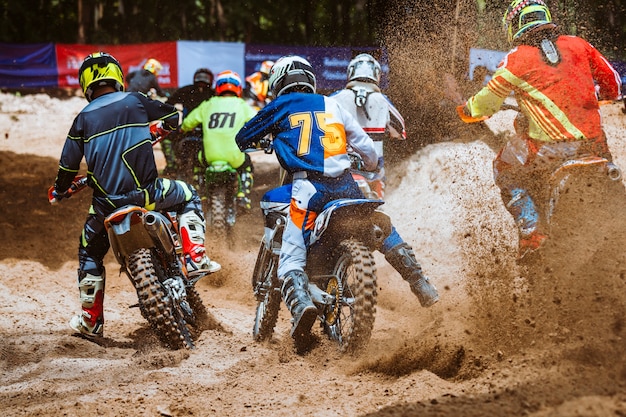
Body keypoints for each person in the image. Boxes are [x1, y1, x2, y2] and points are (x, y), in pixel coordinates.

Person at [236, 55, 439, 341]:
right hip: (347, 187)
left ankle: (302, 306)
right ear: (309, 80)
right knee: (380, 225)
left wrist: (267, 139)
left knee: (290, 258)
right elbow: (367, 150)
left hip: (308, 189)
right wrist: (370, 166)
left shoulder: (279, 106)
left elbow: (243, 138)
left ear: (279, 82)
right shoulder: (331, 104)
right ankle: (421, 283)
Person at [51, 52, 220, 338]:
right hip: (148, 196)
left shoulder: (82, 119)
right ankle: (195, 257)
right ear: (117, 77)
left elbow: (67, 166)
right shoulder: (135, 100)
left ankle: (91, 321)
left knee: (88, 252)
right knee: (189, 195)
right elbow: (173, 116)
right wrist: (159, 128)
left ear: (86, 85)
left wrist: (59, 190)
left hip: (105, 207)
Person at [457, 0, 622, 258]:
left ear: (514, 27)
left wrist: (466, 111)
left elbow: (486, 102)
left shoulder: (516, 58)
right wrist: (597, 97)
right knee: (608, 163)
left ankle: (532, 230)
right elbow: (613, 83)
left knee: (504, 166)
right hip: (593, 145)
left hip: (549, 150)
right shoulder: (579, 44)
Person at [330, 53, 407, 199]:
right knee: (378, 208)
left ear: (351, 71)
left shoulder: (335, 99)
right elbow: (400, 130)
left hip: (341, 167)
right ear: (376, 74)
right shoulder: (383, 101)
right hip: (374, 169)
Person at [181, 70, 257, 210]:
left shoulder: (208, 104)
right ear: (238, 88)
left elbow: (187, 123)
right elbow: (258, 121)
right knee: (247, 166)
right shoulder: (242, 105)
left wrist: (183, 129)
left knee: (197, 164)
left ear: (217, 88)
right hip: (235, 157)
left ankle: (202, 196)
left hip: (210, 156)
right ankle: (242, 196)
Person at [164, 68, 216, 177]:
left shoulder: (186, 90)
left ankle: (172, 166)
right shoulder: (213, 94)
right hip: (208, 131)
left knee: (166, 137)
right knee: (166, 137)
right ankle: (173, 166)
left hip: (188, 129)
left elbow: (168, 104)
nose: (201, 86)